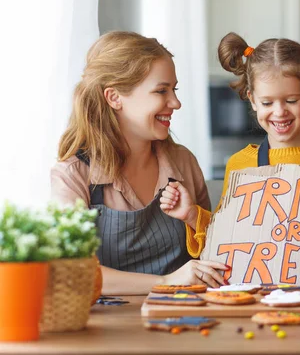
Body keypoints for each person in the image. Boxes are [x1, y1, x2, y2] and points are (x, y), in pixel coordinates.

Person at [160, 32, 300, 258]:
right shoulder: (239, 166)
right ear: (253, 99)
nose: (279, 112)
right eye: (267, 102)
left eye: (291, 100)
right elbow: (225, 237)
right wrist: (190, 214)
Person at [51, 31, 228, 294]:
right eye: (161, 91)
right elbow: (73, 271)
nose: (175, 103)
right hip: (108, 330)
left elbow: (220, 252)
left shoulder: (183, 162)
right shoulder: (74, 174)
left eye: (174, 89)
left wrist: (192, 217)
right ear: (114, 97)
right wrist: (168, 281)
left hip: (186, 317)